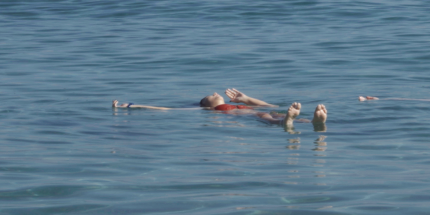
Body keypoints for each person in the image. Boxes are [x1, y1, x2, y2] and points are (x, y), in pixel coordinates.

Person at [113, 88, 328, 129]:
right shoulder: (209, 111)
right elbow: (165, 109)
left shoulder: (235, 103)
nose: (215, 93)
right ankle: (286, 122)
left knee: (275, 112)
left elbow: (270, 104)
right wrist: (133, 105)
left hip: (259, 111)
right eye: (210, 95)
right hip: (255, 117)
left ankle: (312, 122)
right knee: (270, 117)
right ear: (206, 105)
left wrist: (246, 97)